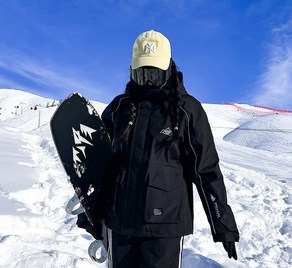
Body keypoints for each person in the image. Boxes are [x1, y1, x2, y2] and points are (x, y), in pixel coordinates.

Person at [78, 30, 239, 267]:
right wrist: (90, 211)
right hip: (119, 222)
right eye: (142, 75)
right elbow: (99, 165)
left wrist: (223, 225)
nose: (149, 82)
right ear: (132, 72)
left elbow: (206, 170)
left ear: (169, 68)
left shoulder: (187, 110)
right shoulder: (118, 108)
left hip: (164, 228)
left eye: (154, 74)